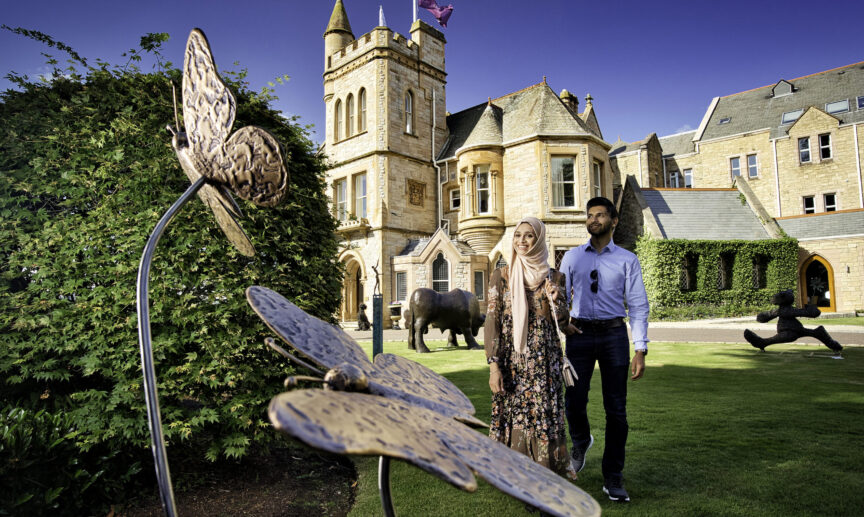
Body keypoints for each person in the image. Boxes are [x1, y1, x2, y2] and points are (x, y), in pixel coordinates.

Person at [559, 196, 649, 503]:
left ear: (613, 221)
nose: (593, 220)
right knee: (573, 400)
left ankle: (613, 476)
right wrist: (563, 325)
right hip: (579, 334)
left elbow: (638, 305)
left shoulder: (627, 260)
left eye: (599, 215)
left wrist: (640, 349)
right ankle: (581, 441)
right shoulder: (572, 257)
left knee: (616, 410)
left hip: (613, 336)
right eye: (590, 215)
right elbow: (559, 299)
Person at [485, 217, 577, 480]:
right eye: (518, 235)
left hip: (545, 363)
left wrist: (556, 299)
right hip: (513, 363)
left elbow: (562, 323)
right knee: (515, 415)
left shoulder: (555, 277)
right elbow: (492, 322)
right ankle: (515, 473)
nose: (522, 241)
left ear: (538, 240)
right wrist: (494, 367)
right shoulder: (501, 276)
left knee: (543, 416)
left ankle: (545, 470)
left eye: (528, 235)